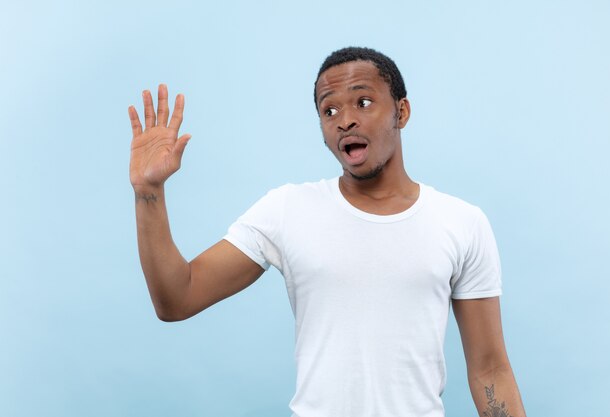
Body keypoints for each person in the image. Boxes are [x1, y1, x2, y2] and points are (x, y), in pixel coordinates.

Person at [128, 47, 526, 417]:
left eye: (363, 102)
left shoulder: (461, 222)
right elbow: (177, 299)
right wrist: (149, 191)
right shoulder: (287, 209)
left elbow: (490, 370)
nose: (345, 119)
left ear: (401, 113)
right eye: (329, 110)